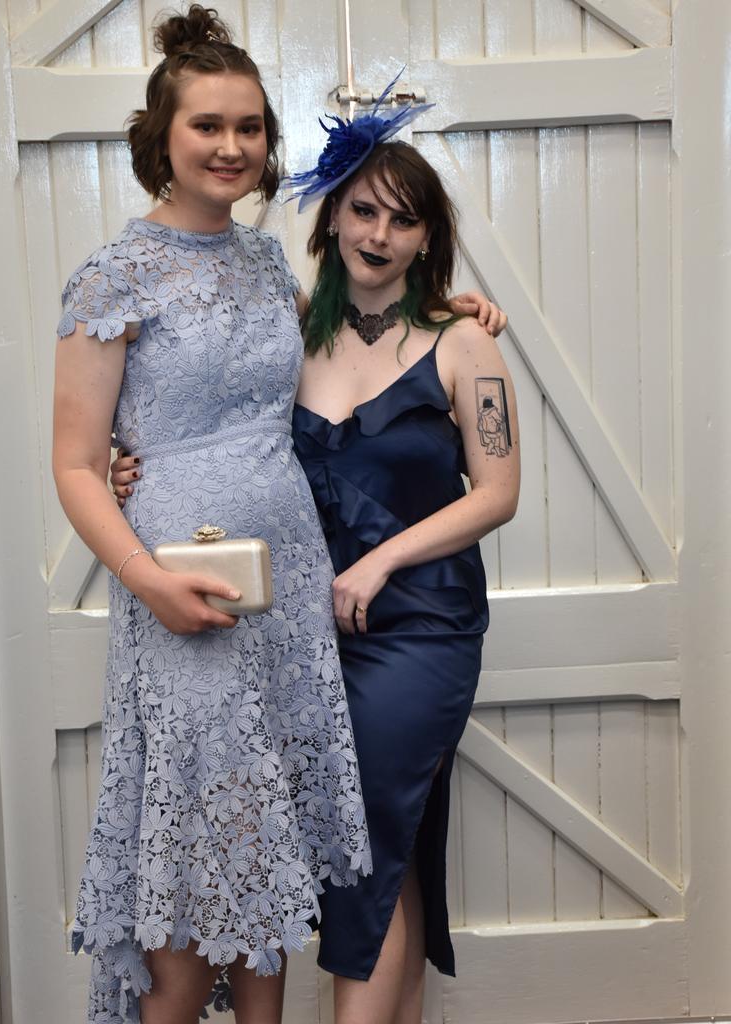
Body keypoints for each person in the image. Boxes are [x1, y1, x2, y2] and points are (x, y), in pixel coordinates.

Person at [52, 7, 377, 1023]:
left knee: (263, 838)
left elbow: (346, 354)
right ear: (164, 136)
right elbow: (71, 464)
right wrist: (149, 581)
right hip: (178, 585)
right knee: (198, 844)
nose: (233, 146)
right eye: (209, 126)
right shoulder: (113, 276)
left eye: (249, 126)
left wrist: (453, 312)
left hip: (283, 582)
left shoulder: (269, 264)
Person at [287, 113, 520, 1022]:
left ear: (429, 236)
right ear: (332, 219)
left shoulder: (464, 342)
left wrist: (379, 560)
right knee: (397, 842)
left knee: (364, 841)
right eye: (363, 212)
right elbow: (217, 440)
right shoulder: (292, 334)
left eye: (403, 220)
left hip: (422, 629)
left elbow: (496, 493)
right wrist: (125, 466)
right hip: (310, 633)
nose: (379, 236)